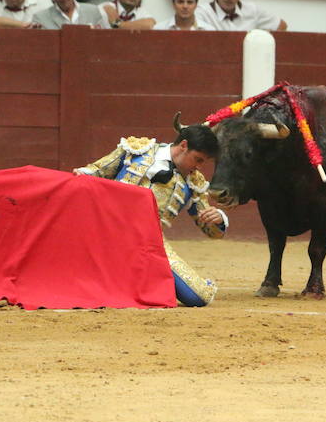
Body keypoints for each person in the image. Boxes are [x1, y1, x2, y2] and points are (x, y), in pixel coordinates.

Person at [74, 123, 228, 306]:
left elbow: (212, 231)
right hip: (107, 233)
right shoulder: (137, 150)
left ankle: (146, 280)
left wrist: (218, 217)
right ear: (184, 145)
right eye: (198, 159)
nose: (199, 167)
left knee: (198, 297)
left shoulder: (194, 182)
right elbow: (93, 173)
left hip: (150, 245)